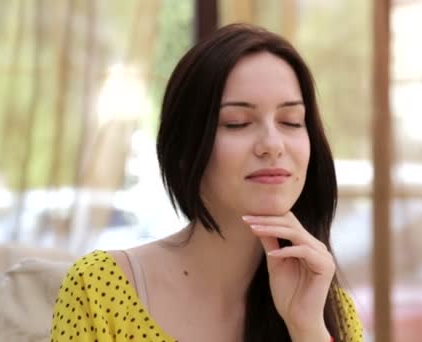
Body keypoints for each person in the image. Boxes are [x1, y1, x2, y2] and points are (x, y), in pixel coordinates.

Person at [50, 23, 363, 341]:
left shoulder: (329, 312)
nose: (273, 143)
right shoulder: (98, 289)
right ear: (186, 146)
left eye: (291, 122)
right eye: (237, 123)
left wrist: (305, 328)